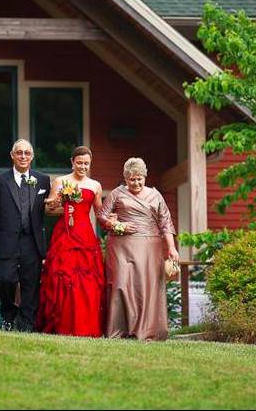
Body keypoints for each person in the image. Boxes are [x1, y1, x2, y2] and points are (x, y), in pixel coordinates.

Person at [97, 157, 179, 341]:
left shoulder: (156, 195)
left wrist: (172, 248)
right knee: (120, 283)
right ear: (126, 178)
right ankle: (119, 330)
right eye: (132, 179)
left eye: (139, 178)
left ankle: (147, 330)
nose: (136, 182)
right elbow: (102, 217)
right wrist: (119, 225)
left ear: (145, 176)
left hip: (149, 247)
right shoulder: (116, 194)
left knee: (145, 286)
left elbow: (166, 223)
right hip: (121, 247)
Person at [0, 139, 51, 332]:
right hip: (6, 241)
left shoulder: (43, 180)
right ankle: (8, 316)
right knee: (5, 279)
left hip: (33, 241)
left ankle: (27, 324)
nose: (23, 156)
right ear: (12, 155)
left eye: (27, 153)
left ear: (32, 157)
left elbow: (49, 210)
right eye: (19, 153)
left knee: (31, 283)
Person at [36, 146, 105, 337]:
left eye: (86, 163)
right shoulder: (61, 181)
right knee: (63, 278)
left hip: (86, 236)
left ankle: (86, 327)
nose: (83, 166)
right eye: (79, 162)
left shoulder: (95, 186)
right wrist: (64, 207)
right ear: (72, 162)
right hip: (65, 234)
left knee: (87, 282)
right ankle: (62, 325)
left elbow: (100, 214)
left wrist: (114, 222)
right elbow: (49, 209)